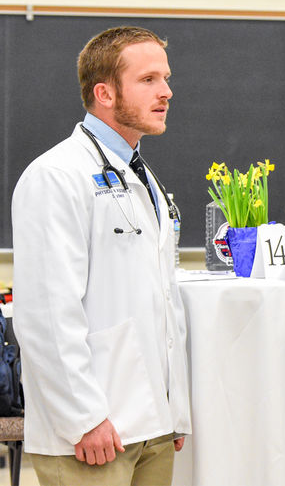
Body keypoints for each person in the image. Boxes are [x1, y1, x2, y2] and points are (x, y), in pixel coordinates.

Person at [12, 26, 191, 486]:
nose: (166, 92)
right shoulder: (56, 176)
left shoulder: (141, 175)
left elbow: (160, 298)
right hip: (92, 432)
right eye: (149, 79)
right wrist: (83, 417)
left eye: (166, 78)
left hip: (151, 423)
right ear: (104, 92)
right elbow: (46, 313)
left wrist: (175, 406)